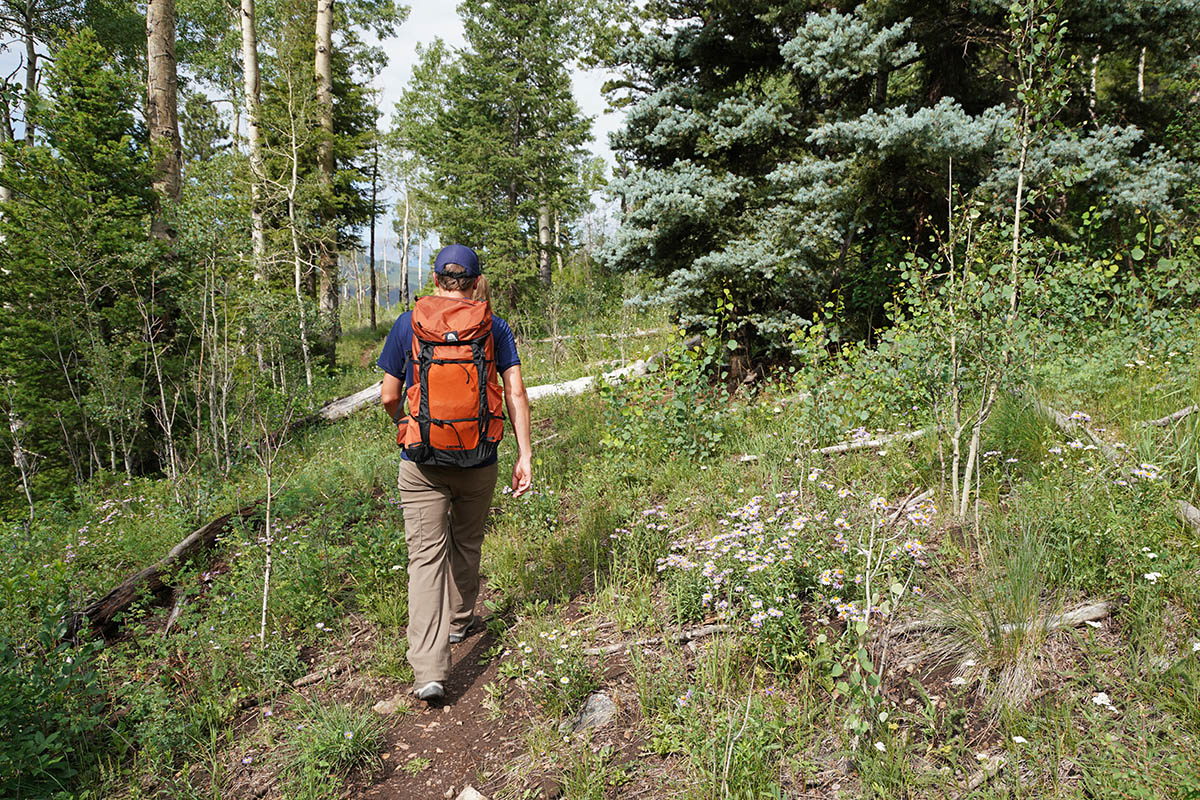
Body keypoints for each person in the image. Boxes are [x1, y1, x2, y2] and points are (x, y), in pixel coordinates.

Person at [378, 244, 532, 703]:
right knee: (467, 541)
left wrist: (407, 428)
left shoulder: (408, 324)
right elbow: (516, 394)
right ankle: (461, 620)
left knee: (425, 558)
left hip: (421, 461)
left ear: (436, 280)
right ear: (476, 281)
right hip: (480, 457)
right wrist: (525, 455)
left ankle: (429, 670)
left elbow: (389, 396)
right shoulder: (495, 327)